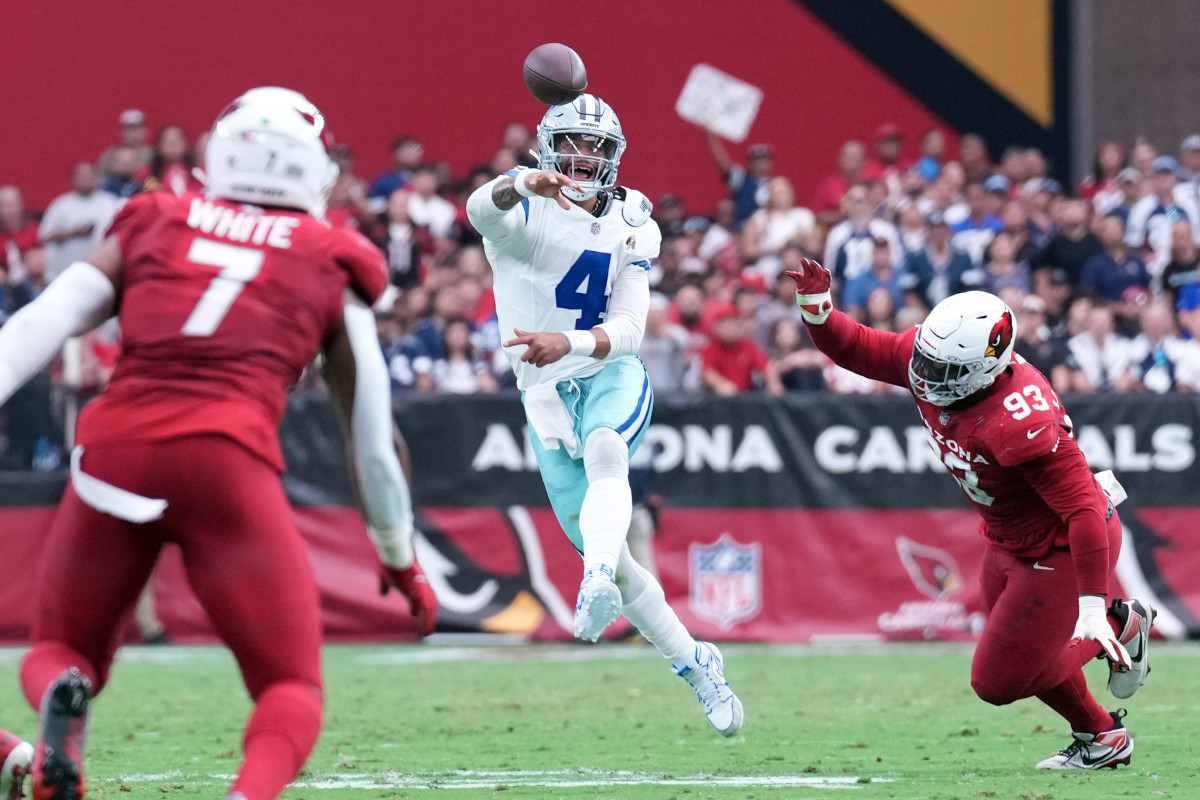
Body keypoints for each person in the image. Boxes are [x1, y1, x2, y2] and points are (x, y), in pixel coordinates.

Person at [0, 87, 437, 800]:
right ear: (311, 168)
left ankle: (66, 703)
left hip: (115, 450)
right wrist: (398, 554)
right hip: (226, 461)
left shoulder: (157, 217)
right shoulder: (331, 255)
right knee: (290, 685)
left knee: (60, 649)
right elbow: (373, 436)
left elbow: (39, 326)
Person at [785, 256, 1156, 770]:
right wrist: (816, 303)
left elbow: (1086, 509)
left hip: (1063, 547)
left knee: (998, 681)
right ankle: (1101, 737)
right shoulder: (932, 358)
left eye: (943, 371)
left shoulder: (1018, 416)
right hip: (1008, 540)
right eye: (927, 362)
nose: (927, 377)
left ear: (987, 366)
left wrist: (1095, 606)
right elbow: (856, 346)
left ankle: (1123, 622)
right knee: (1023, 654)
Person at [466, 93, 743, 737]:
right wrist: (516, 184)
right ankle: (695, 660)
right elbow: (480, 210)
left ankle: (593, 580)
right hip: (542, 396)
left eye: (597, 147)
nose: (584, 157)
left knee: (606, 452)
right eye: (572, 144)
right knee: (618, 557)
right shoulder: (520, 214)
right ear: (546, 149)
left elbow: (630, 327)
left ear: (614, 157)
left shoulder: (632, 220)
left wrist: (573, 343)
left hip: (605, 371)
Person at [38, 163, 122, 281]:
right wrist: (73, 233)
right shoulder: (61, 205)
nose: (85, 180)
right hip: (68, 272)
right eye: (81, 177)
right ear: (73, 180)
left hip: (104, 273)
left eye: (88, 176)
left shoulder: (110, 203)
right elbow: (45, 237)